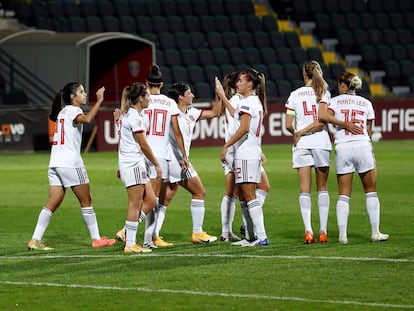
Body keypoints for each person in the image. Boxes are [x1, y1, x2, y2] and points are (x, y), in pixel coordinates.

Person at [27, 83, 116, 250]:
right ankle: (96, 239)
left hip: (55, 163)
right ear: (72, 97)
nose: (85, 94)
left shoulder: (62, 112)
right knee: (86, 200)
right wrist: (99, 101)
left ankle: (35, 239)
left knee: (53, 202)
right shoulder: (75, 110)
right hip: (70, 163)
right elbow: (88, 120)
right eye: (81, 92)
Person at [115, 65, 187, 248]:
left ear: (148, 83)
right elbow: (176, 132)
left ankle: (136, 236)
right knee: (147, 200)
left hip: (140, 156)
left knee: (150, 199)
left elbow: (126, 137)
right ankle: (144, 239)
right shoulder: (169, 103)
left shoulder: (134, 111)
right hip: (156, 154)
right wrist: (183, 155)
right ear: (161, 84)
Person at [318, 71, 389, 244]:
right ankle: (375, 232)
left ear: (343, 85)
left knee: (344, 194)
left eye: (339, 85)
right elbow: (369, 129)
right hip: (362, 145)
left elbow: (324, 116)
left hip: (343, 146)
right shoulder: (366, 103)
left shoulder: (334, 101)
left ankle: (343, 235)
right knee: (371, 191)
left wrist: (343, 124)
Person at [162, 82, 221, 244]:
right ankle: (197, 232)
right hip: (178, 161)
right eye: (189, 93)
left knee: (165, 198)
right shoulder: (171, 113)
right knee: (200, 192)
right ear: (181, 97)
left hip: (175, 161)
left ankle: (133, 231)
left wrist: (219, 94)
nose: (193, 96)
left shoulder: (191, 112)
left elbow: (216, 112)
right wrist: (184, 158)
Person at [215, 71, 270, 243]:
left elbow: (244, 127)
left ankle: (260, 237)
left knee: (248, 195)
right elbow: (240, 120)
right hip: (249, 151)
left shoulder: (248, 102)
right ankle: (250, 236)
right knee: (246, 196)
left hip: (245, 153)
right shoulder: (252, 101)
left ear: (250, 85)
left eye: (241, 81)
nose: (238, 84)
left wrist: (227, 144)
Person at [284, 60, 333, 244]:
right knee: (322, 187)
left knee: (304, 189)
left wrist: (297, 133)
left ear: (304, 74)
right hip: (321, 141)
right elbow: (322, 122)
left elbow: (288, 124)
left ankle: (308, 231)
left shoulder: (294, 95)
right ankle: (323, 231)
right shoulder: (324, 93)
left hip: (302, 144)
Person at [117, 82, 163, 253]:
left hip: (134, 163)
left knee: (151, 200)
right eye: (147, 96)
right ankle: (130, 244)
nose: (150, 99)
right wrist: (157, 164)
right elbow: (143, 145)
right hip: (133, 163)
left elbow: (123, 142)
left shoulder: (130, 115)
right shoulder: (134, 117)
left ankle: (127, 233)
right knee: (135, 203)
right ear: (140, 98)